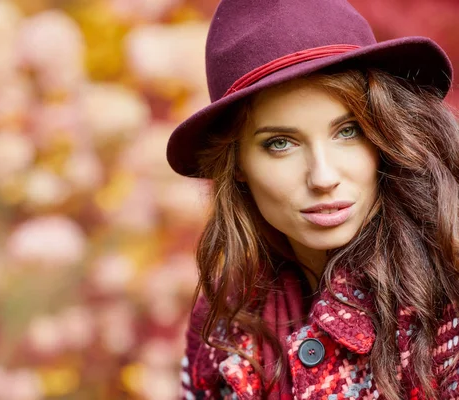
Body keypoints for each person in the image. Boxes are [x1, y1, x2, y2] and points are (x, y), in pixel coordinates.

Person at [166, 0, 459, 399]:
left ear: (385, 134)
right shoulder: (222, 323)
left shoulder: (446, 296)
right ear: (236, 164)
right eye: (280, 143)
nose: (323, 177)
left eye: (348, 131)